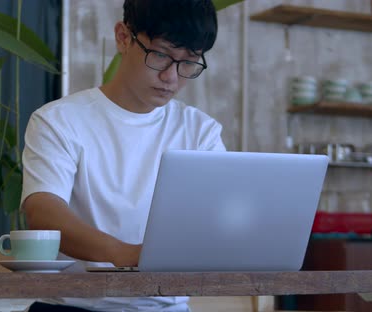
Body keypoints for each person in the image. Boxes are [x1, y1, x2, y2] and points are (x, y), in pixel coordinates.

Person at [21, 0, 225, 311]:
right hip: (72, 306)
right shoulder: (59, 120)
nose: (172, 77)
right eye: (160, 55)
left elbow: (218, 217)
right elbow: (43, 212)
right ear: (123, 38)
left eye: (189, 63)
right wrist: (126, 254)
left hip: (163, 307)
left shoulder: (200, 132)